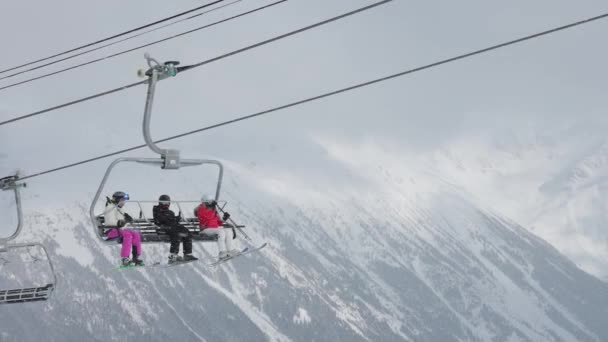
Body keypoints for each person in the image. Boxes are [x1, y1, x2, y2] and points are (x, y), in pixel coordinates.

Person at [152, 194, 198, 264]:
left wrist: (176, 219)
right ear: (160, 202)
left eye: (167, 202)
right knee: (177, 234)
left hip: (172, 227)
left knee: (187, 232)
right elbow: (160, 219)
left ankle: (187, 254)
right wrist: (170, 219)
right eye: (164, 202)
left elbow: (171, 221)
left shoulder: (170, 212)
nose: (166, 204)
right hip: (163, 228)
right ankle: (173, 255)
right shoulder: (157, 210)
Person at [103, 191, 144, 267]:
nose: (123, 203)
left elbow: (122, 220)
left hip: (119, 230)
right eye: (122, 201)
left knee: (135, 234)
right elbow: (110, 221)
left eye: (124, 201)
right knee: (128, 235)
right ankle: (125, 259)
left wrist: (127, 218)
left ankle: (135, 257)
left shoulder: (119, 209)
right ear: (117, 200)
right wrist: (122, 222)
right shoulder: (110, 207)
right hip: (111, 230)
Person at [196, 195, 238, 259]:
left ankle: (230, 250)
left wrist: (224, 218)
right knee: (221, 232)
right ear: (205, 202)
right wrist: (212, 208)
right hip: (205, 229)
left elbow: (218, 221)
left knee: (228, 231)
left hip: (214, 228)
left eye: (211, 202)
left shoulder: (212, 209)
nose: (210, 203)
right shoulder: (200, 209)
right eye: (209, 202)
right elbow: (208, 216)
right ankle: (222, 252)